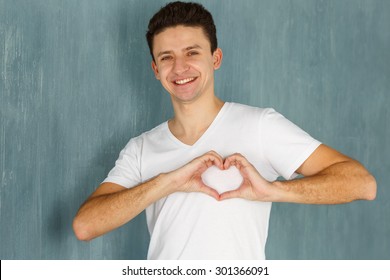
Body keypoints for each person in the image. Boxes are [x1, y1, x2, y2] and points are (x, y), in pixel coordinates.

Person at [73, 1, 376, 259]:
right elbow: (85, 225)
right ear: (155, 70)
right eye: (166, 57)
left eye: (192, 52)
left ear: (215, 58)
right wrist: (169, 181)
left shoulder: (260, 126)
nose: (179, 68)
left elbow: (361, 183)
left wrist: (274, 190)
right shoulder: (141, 148)